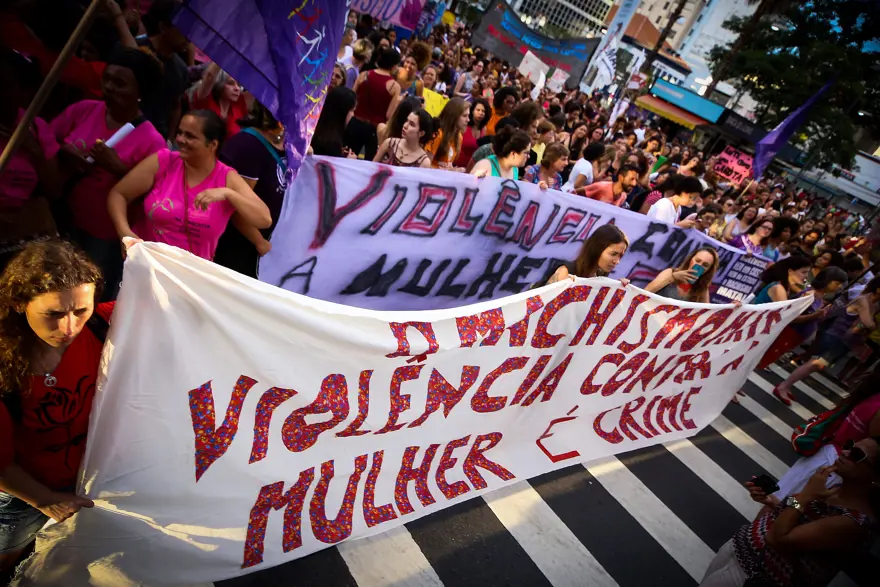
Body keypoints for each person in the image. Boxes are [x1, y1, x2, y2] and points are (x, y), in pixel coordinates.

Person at [0, 241, 107, 572]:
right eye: (54, 314)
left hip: (82, 483)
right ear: (19, 303)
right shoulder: (5, 369)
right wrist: (43, 499)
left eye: (80, 311)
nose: (70, 328)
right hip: (21, 495)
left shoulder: (100, 324)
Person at [51, 48, 166, 300]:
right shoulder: (83, 110)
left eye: (120, 83)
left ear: (140, 93)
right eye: (108, 79)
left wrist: (119, 169)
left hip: (103, 238)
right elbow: (46, 138)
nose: (110, 88)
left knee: (86, 298)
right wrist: (64, 151)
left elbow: (156, 196)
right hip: (62, 219)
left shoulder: (152, 141)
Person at [700, 437, 879, 587]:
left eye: (857, 455)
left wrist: (808, 493)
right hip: (741, 552)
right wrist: (773, 501)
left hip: (754, 575)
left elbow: (778, 538)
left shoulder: (853, 524)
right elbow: (798, 512)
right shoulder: (837, 489)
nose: (845, 452)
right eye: (849, 445)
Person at [107, 110, 271, 262]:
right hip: (147, 265)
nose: (180, 140)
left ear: (212, 145)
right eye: (179, 132)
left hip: (191, 278)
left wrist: (229, 194)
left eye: (190, 136)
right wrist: (125, 232)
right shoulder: (164, 162)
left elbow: (264, 220)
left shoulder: (227, 178)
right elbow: (118, 194)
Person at [772, 276, 880, 404]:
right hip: (835, 336)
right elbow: (869, 323)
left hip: (843, 341)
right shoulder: (864, 300)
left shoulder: (873, 304)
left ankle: (787, 385)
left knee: (816, 365)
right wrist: (871, 324)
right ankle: (783, 386)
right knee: (814, 363)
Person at [212, 102, 287, 278]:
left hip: (268, 247)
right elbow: (236, 205)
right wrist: (258, 241)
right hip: (242, 248)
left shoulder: (288, 143)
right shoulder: (247, 146)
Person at [756, 267, 847, 370]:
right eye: (837, 283)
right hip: (789, 332)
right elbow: (792, 317)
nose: (839, 287)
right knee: (764, 359)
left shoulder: (821, 297)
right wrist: (814, 315)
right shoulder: (808, 295)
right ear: (827, 280)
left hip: (798, 335)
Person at [137, 0, 190, 139]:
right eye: (183, 29)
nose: (188, 37)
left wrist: (169, 140)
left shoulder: (181, 69)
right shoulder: (135, 50)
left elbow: (175, 107)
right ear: (163, 27)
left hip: (155, 139)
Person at [347, 48, 401, 161]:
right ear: (394, 65)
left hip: (355, 123)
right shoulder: (394, 86)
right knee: (370, 163)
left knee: (346, 156)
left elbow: (351, 99)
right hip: (375, 130)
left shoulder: (364, 75)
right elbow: (389, 114)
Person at [544, 224, 630, 284]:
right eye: (613, 254)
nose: (617, 261)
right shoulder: (565, 272)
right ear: (597, 249)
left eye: (620, 256)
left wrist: (616, 289)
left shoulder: (600, 275)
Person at [191, 63, 250, 138]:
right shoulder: (206, 99)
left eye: (238, 85)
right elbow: (210, 76)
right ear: (219, 83)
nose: (237, 88)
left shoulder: (239, 104)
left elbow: (258, 86)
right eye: (230, 83)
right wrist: (224, 55)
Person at [645, 246, 719, 303]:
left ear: (709, 270)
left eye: (705, 265)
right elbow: (647, 291)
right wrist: (673, 277)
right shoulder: (670, 272)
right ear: (691, 259)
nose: (699, 265)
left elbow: (706, 313)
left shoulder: (702, 288)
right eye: (697, 260)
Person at [311, 86, 357, 158]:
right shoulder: (331, 143)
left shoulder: (315, 128)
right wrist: (347, 161)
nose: (353, 115)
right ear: (343, 111)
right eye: (352, 110)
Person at [426, 97, 468, 170]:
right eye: (464, 116)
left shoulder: (459, 136)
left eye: (468, 116)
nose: (468, 120)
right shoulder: (438, 134)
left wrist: (454, 170)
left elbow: (448, 164)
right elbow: (424, 165)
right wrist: (446, 170)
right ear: (454, 116)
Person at [454, 97, 489, 168]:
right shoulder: (463, 126)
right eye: (478, 110)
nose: (481, 113)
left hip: (474, 168)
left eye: (483, 111)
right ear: (472, 111)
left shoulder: (484, 129)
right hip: (457, 166)